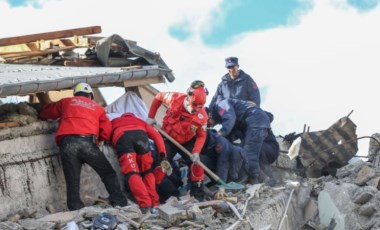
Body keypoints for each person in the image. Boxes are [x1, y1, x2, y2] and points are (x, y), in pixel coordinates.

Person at [38, 83, 128, 210]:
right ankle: (119, 202)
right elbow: (106, 129)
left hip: (67, 144)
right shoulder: (98, 108)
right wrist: (99, 140)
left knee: (72, 179)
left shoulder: (66, 102)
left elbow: (47, 112)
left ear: (75, 94)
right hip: (87, 143)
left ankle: (76, 208)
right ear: (90, 95)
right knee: (107, 173)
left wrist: (39, 113)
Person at [146, 80, 210, 201]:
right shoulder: (175, 98)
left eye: (198, 107)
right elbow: (158, 97)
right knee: (161, 164)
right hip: (168, 138)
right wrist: (151, 116)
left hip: (187, 141)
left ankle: (197, 196)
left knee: (197, 165)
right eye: (194, 105)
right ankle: (153, 195)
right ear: (188, 97)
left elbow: (201, 136)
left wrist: (196, 152)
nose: (195, 109)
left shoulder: (202, 117)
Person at [110, 112, 172, 214]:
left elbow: (105, 132)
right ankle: (155, 204)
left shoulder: (115, 121)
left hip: (123, 138)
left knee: (132, 173)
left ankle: (145, 205)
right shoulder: (140, 121)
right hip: (141, 136)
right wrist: (162, 155)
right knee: (147, 171)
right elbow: (157, 136)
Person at [208, 98, 270, 184]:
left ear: (209, 115)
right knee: (242, 152)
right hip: (258, 122)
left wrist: (220, 133)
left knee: (249, 154)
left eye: (209, 123)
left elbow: (230, 119)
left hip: (256, 122)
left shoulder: (221, 105)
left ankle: (256, 181)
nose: (211, 126)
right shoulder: (225, 112)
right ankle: (263, 179)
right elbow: (233, 130)